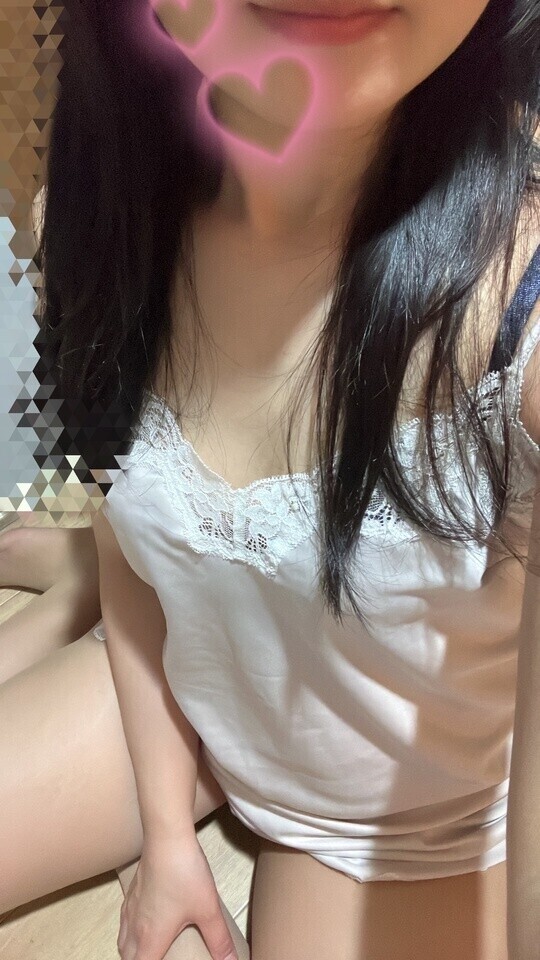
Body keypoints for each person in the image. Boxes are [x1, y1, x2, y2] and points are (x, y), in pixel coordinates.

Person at [0, 0, 539, 958]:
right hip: (192, 697)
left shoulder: (517, 328)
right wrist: (166, 836)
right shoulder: (93, 214)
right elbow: (130, 526)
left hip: (407, 833)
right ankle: (62, 583)